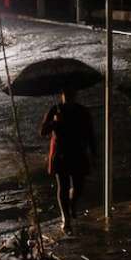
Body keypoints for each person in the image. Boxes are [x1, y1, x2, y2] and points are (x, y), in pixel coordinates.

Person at [39, 88, 97, 235]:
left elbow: (90, 133)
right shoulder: (54, 110)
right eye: (66, 94)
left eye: (71, 94)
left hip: (78, 152)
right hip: (60, 154)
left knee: (78, 187)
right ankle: (66, 219)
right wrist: (54, 122)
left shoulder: (82, 111)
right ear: (62, 95)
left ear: (75, 94)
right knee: (63, 187)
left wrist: (94, 152)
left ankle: (72, 204)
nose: (69, 96)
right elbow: (43, 131)